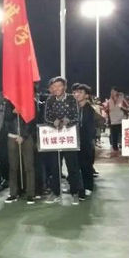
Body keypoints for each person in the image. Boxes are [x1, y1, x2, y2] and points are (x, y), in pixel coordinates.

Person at [42, 77, 83, 205]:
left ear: (64, 87)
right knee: (55, 167)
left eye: (59, 86)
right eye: (54, 86)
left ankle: (75, 192)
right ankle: (55, 193)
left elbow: (76, 117)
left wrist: (68, 121)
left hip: (69, 138)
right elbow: (46, 118)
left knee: (72, 166)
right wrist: (53, 122)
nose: (56, 89)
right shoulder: (50, 100)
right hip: (55, 139)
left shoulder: (71, 99)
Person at [4, 100, 36, 204]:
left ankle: (30, 193)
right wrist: (13, 112)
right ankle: (13, 193)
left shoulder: (29, 100)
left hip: (26, 137)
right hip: (12, 136)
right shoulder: (9, 101)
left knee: (29, 166)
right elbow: (6, 118)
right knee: (13, 167)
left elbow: (32, 120)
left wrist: (24, 136)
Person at [73, 84, 96, 197]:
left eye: (80, 92)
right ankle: (78, 187)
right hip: (74, 141)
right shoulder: (74, 108)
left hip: (86, 142)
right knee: (76, 165)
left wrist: (90, 141)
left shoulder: (90, 109)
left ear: (86, 95)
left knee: (86, 165)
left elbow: (91, 128)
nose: (77, 95)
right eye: (75, 92)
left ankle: (88, 187)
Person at [106, 88, 129, 152]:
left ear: (117, 92)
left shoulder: (122, 99)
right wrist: (108, 120)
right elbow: (107, 111)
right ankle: (115, 149)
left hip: (122, 121)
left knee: (124, 135)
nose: (112, 93)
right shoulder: (109, 101)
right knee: (114, 136)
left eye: (113, 91)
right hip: (113, 122)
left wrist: (122, 107)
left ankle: (124, 147)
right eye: (111, 92)